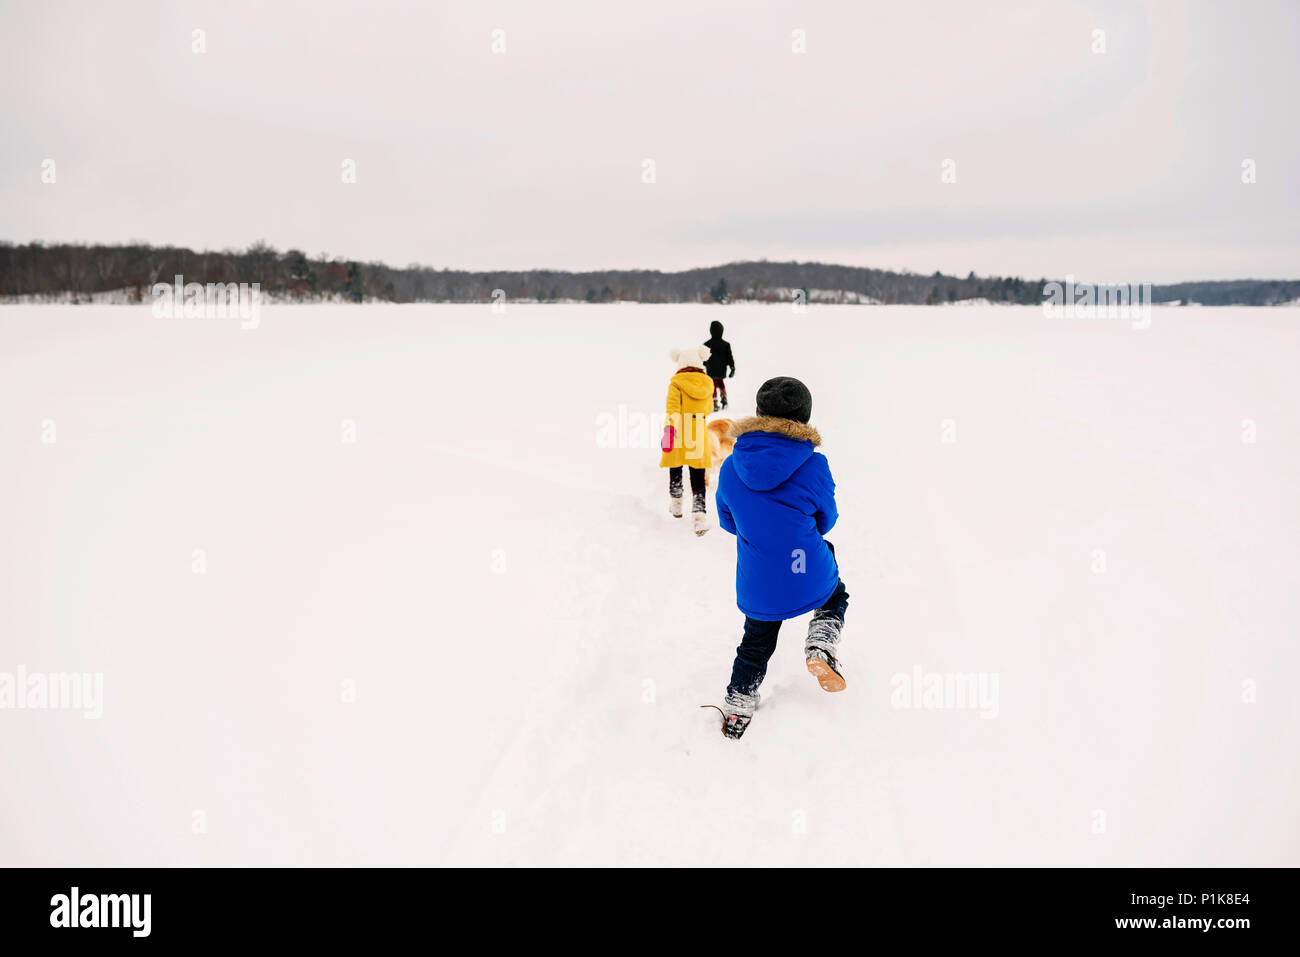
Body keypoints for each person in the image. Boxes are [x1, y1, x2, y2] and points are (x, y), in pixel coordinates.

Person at [713, 376, 847, 738]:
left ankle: (738, 706)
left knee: (755, 643)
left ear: (758, 414)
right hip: (806, 569)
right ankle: (821, 641)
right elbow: (827, 521)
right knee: (836, 592)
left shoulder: (729, 467)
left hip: (759, 583)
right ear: (803, 419)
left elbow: (728, 522)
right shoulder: (814, 465)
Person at [659, 347, 715, 535]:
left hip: (678, 428)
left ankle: (676, 504)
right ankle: (699, 515)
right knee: (697, 473)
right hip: (697, 430)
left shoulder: (676, 382)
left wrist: (669, 429)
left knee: (675, 466)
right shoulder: (708, 384)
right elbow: (708, 409)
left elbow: (672, 409)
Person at [703, 320, 735, 412]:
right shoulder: (726, 345)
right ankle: (724, 398)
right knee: (720, 383)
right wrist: (732, 368)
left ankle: (714, 402)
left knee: (712, 385)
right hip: (721, 370)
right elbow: (730, 357)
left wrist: (705, 364)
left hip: (711, 370)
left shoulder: (707, 344)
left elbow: (703, 358)